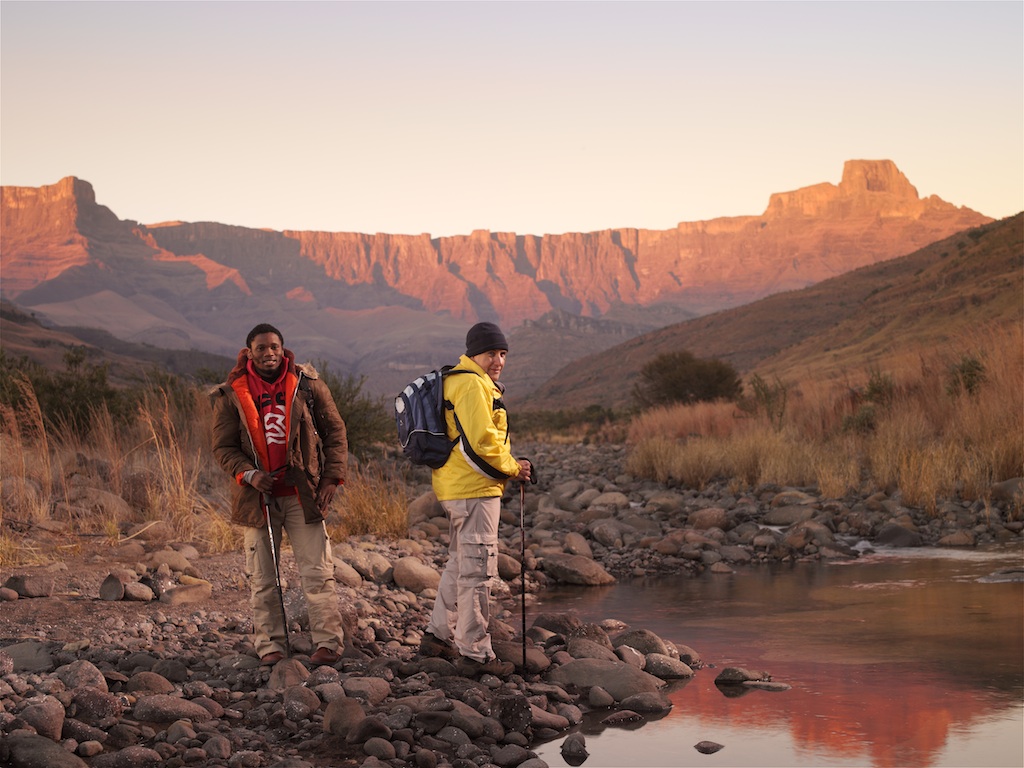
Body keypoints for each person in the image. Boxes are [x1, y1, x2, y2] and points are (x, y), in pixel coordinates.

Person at [211, 323, 348, 667]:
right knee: (262, 577)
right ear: (249, 352)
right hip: (258, 499)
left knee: (317, 572)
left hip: (304, 494)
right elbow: (223, 447)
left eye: (274, 347)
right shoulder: (231, 393)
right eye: (261, 348)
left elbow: (335, 430)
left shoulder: (308, 384)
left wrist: (332, 477)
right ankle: (270, 645)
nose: (268, 353)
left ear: (284, 349)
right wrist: (249, 474)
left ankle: (328, 644)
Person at [420, 321, 532, 677]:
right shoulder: (470, 383)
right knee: (477, 571)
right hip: (474, 489)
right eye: (490, 353)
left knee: (459, 563)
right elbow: (481, 443)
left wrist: (511, 465)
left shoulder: (468, 379)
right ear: (473, 353)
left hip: (461, 487)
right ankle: (475, 654)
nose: (498, 360)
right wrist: (514, 468)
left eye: (502, 353)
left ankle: (437, 636)